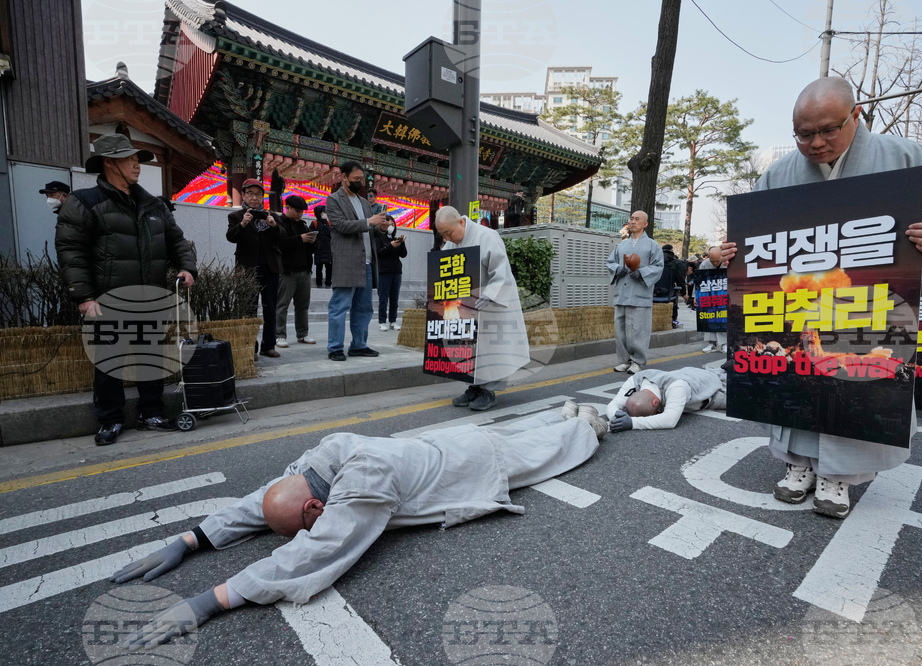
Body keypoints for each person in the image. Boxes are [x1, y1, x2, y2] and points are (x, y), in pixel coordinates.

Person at [109, 407, 606, 649]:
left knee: (557, 449)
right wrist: (191, 538)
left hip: (475, 463)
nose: (298, 534)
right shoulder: (319, 459)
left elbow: (318, 551)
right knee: (535, 432)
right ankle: (568, 416)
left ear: (312, 510)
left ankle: (601, 421)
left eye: (298, 527)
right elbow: (261, 503)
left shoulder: (365, 482)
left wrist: (209, 601)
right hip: (450, 442)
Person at [749, 76, 922, 519]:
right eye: (804, 133)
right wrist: (738, 249)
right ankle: (799, 465)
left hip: (868, 301)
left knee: (855, 377)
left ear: (857, 115)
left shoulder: (905, 158)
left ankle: (839, 476)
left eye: (828, 129)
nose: (815, 143)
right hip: (804, 301)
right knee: (800, 378)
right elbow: (758, 232)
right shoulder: (779, 173)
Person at [55, 133, 197, 446]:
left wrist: (187, 267)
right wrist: (84, 297)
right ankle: (110, 419)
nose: (137, 165)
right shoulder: (85, 202)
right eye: (130, 159)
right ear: (109, 163)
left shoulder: (153, 204)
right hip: (107, 300)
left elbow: (175, 240)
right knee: (108, 362)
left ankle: (152, 413)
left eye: (137, 159)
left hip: (151, 295)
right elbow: (71, 251)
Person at [436, 206, 530, 411]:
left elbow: (501, 270)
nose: (446, 237)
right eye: (442, 234)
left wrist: (490, 294)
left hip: (490, 304)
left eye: (448, 232)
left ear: (460, 222)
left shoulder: (487, 236)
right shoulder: (452, 243)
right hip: (467, 307)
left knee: (491, 350)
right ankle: (474, 386)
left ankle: (488, 391)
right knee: (469, 348)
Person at [325, 161, 383, 361]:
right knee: (340, 306)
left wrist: (381, 227)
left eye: (362, 179)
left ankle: (359, 345)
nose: (360, 182)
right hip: (347, 261)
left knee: (364, 307)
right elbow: (341, 225)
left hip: (366, 262)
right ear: (344, 177)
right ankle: (335, 348)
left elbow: (371, 229)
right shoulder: (333, 200)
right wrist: (369, 222)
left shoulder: (366, 203)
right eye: (356, 179)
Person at [227, 178, 285, 359]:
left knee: (270, 308)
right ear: (243, 195)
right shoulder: (236, 216)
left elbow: (283, 237)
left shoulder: (272, 216)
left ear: (262, 197)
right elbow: (230, 237)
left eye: (258, 194)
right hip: (247, 269)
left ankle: (269, 345)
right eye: (250, 193)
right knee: (248, 309)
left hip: (270, 268)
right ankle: (250, 346)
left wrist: (274, 226)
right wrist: (243, 224)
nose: (254, 197)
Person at [605, 211, 664, 375]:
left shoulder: (653, 245)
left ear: (645, 224)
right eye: (631, 218)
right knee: (621, 330)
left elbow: (659, 266)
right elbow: (610, 262)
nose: (633, 221)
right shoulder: (621, 245)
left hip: (640, 295)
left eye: (637, 219)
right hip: (622, 294)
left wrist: (643, 272)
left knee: (639, 330)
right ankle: (624, 361)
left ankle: (637, 361)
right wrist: (618, 269)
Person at [602, 366, 727, 432]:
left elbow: (669, 420)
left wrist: (632, 423)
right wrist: (615, 417)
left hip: (712, 386)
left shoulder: (677, 387)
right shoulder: (636, 379)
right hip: (688, 373)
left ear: (655, 403)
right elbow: (614, 404)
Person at [275, 195, 317, 348]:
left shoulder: (304, 225)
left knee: (302, 305)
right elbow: (280, 245)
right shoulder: (279, 223)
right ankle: (279, 335)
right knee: (282, 305)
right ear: (288, 208)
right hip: (287, 272)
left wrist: (313, 242)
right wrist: (300, 239)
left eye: (302, 211)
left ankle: (303, 334)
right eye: (297, 211)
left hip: (304, 270)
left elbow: (310, 249)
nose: (300, 214)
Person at [374, 213, 407, 331]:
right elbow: (379, 254)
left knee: (394, 299)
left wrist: (402, 244)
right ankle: (382, 321)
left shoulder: (395, 239)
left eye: (393, 224)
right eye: (389, 224)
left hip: (396, 271)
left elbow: (403, 254)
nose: (391, 226)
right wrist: (390, 246)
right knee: (383, 298)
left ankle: (393, 321)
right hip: (384, 271)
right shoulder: (378, 239)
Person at [699, 247, 727, 353]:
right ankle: (711, 343)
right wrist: (696, 297)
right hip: (709, 294)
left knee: (722, 317)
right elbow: (700, 281)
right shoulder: (704, 264)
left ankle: (724, 343)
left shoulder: (727, 262)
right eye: (712, 261)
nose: (714, 263)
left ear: (721, 257)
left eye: (717, 261)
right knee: (709, 317)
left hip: (724, 294)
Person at [653, 244, 686, 328]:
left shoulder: (653, 262)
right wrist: (684, 293)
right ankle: (673, 319)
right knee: (675, 292)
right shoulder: (676, 264)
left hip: (652, 293)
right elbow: (680, 280)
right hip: (669, 294)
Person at [311, 204, 333, 288]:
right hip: (319, 249)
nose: (325, 214)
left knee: (329, 268)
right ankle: (319, 283)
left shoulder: (329, 223)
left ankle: (328, 283)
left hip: (328, 249)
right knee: (319, 268)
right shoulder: (315, 223)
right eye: (323, 212)